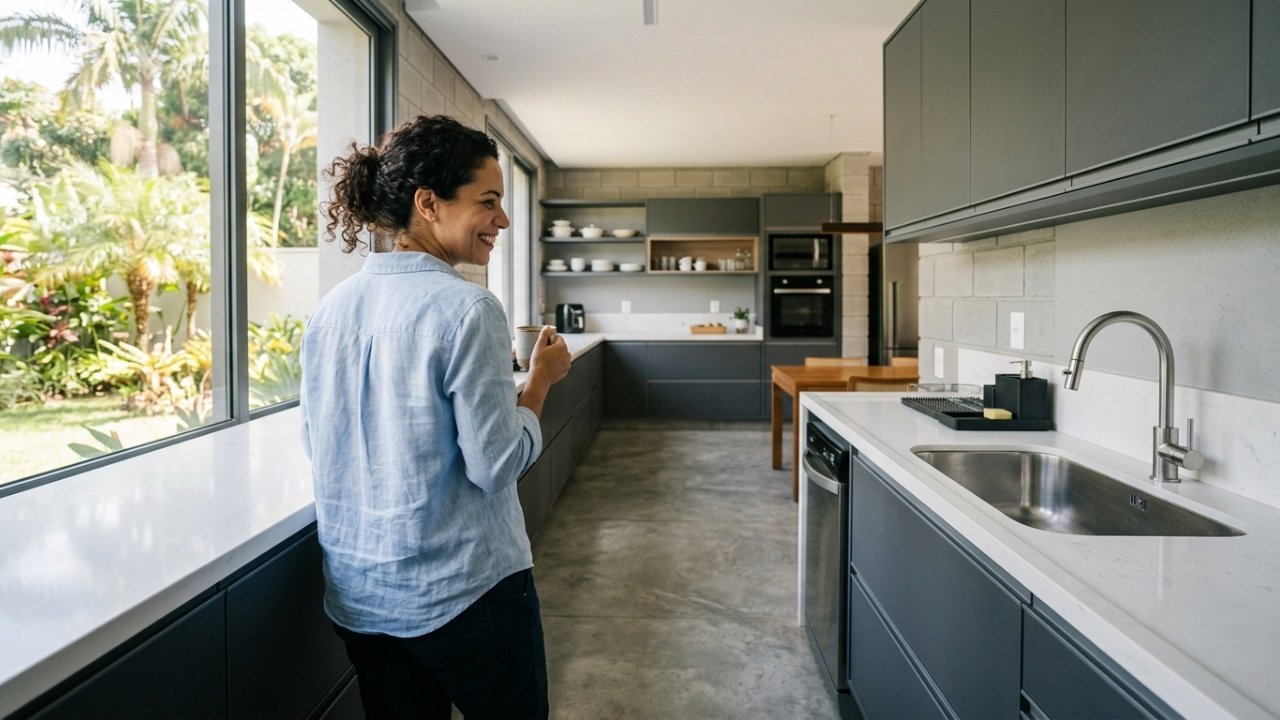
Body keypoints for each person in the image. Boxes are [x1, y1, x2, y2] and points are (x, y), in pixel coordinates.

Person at [299, 114, 571, 719]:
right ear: (428, 203)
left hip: (363, 599)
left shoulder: (329, 311)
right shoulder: (468, 308)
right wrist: (539, 383)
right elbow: (496, 465)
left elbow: (319, 445)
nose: (503, 220)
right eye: (488, 202)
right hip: (466, 595)